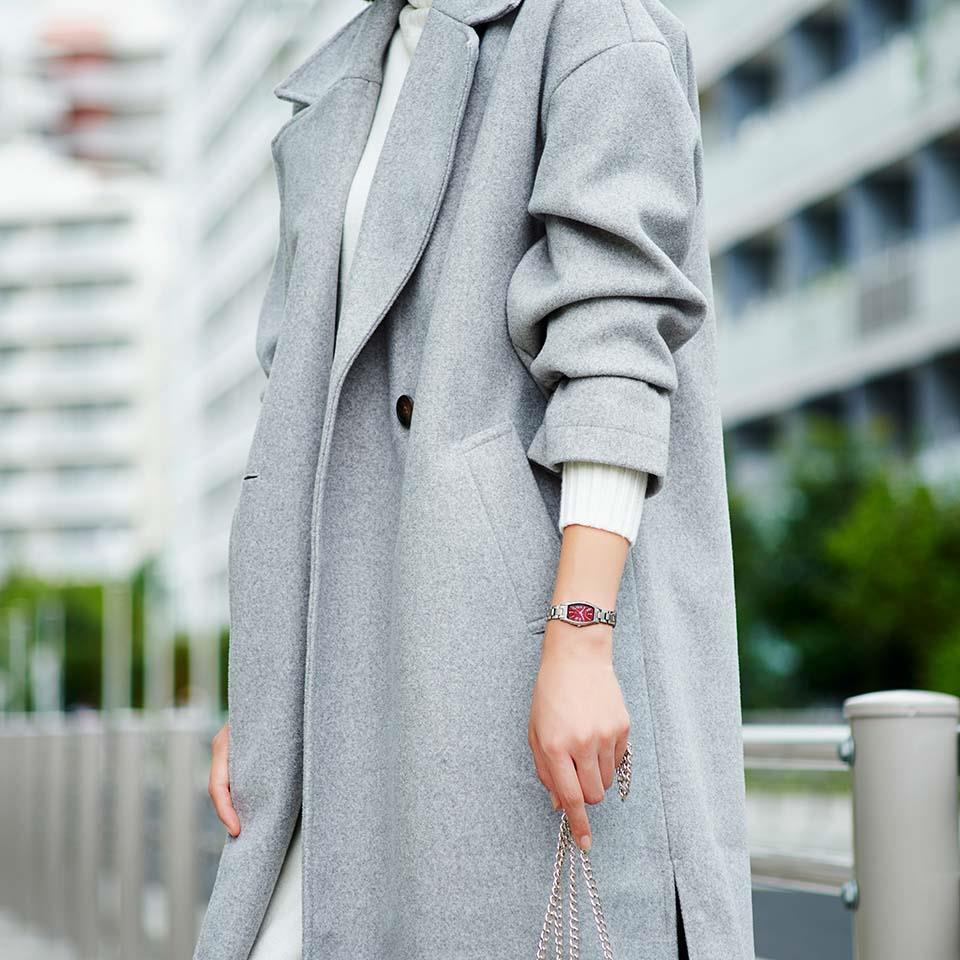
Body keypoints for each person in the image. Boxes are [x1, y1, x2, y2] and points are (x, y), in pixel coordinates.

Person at [194, 1, 755, 959]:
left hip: (513, 649)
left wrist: (582, 635)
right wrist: (273, 692)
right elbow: (301, 419)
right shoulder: (351, 76)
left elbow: (614, 341)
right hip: (357, 690)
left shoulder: (587, 22)